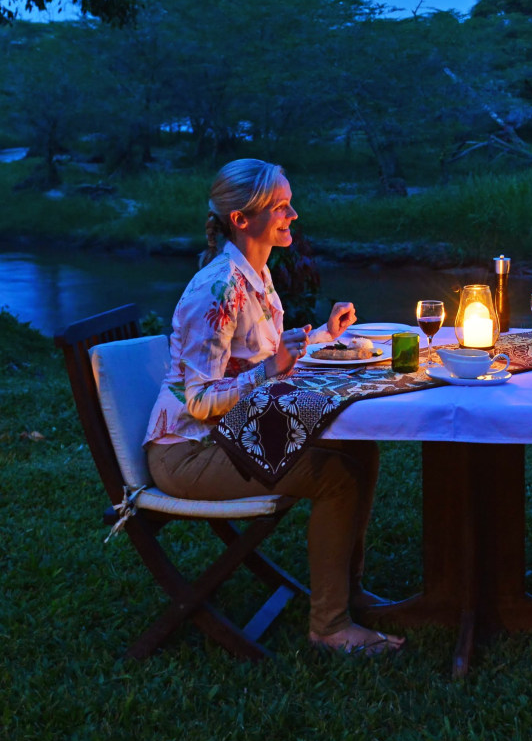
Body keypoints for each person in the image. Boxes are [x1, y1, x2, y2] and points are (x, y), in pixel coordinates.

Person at [142, 158, 403, 656]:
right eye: (280, 206)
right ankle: (329, 626)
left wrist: (327, 336)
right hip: (190, 453)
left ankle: (348, 590)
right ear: (242, 219)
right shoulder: (218, 288)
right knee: (335, 475)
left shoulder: (255, 275)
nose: (293, 214)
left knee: (359, 448)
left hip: (233, 432)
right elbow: (198, 401)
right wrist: (269, 370)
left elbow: (266, 357)